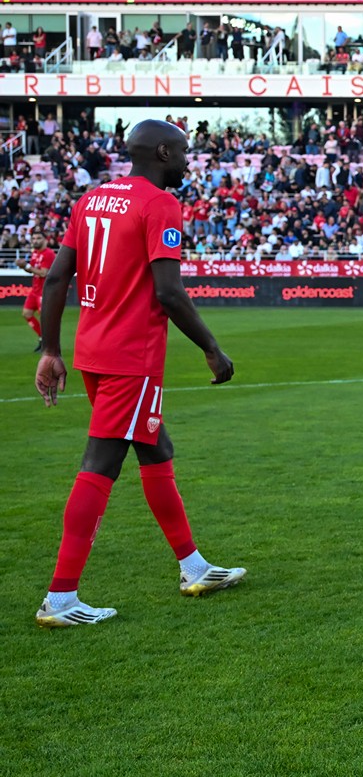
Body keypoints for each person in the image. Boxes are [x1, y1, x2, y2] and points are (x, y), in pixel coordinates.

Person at [31, 119, 244, 627]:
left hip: (94, 352)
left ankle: (194, 567)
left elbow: (57, 278)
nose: (188, 162)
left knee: (155, 448)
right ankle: (60, 597)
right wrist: (212, 349)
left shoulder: (92, 200)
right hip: (132, 357)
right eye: (185, 152)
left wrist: (51, 349)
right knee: (100, 464)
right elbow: (168, 291)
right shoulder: (159, 203)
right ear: (164, 152)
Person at [21, 230, 53, 351]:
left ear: (45, 240)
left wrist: (27, 266)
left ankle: (49, 344)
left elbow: (44, 273)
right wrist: (23, 266)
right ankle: (42, 337)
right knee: (27, 313)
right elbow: (33, 270)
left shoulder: (48, 254)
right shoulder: (35, 253)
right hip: (35, 290)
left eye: (38, 238)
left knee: (45, 319)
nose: (35, 241)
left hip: (45, 291)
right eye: (33, 238)